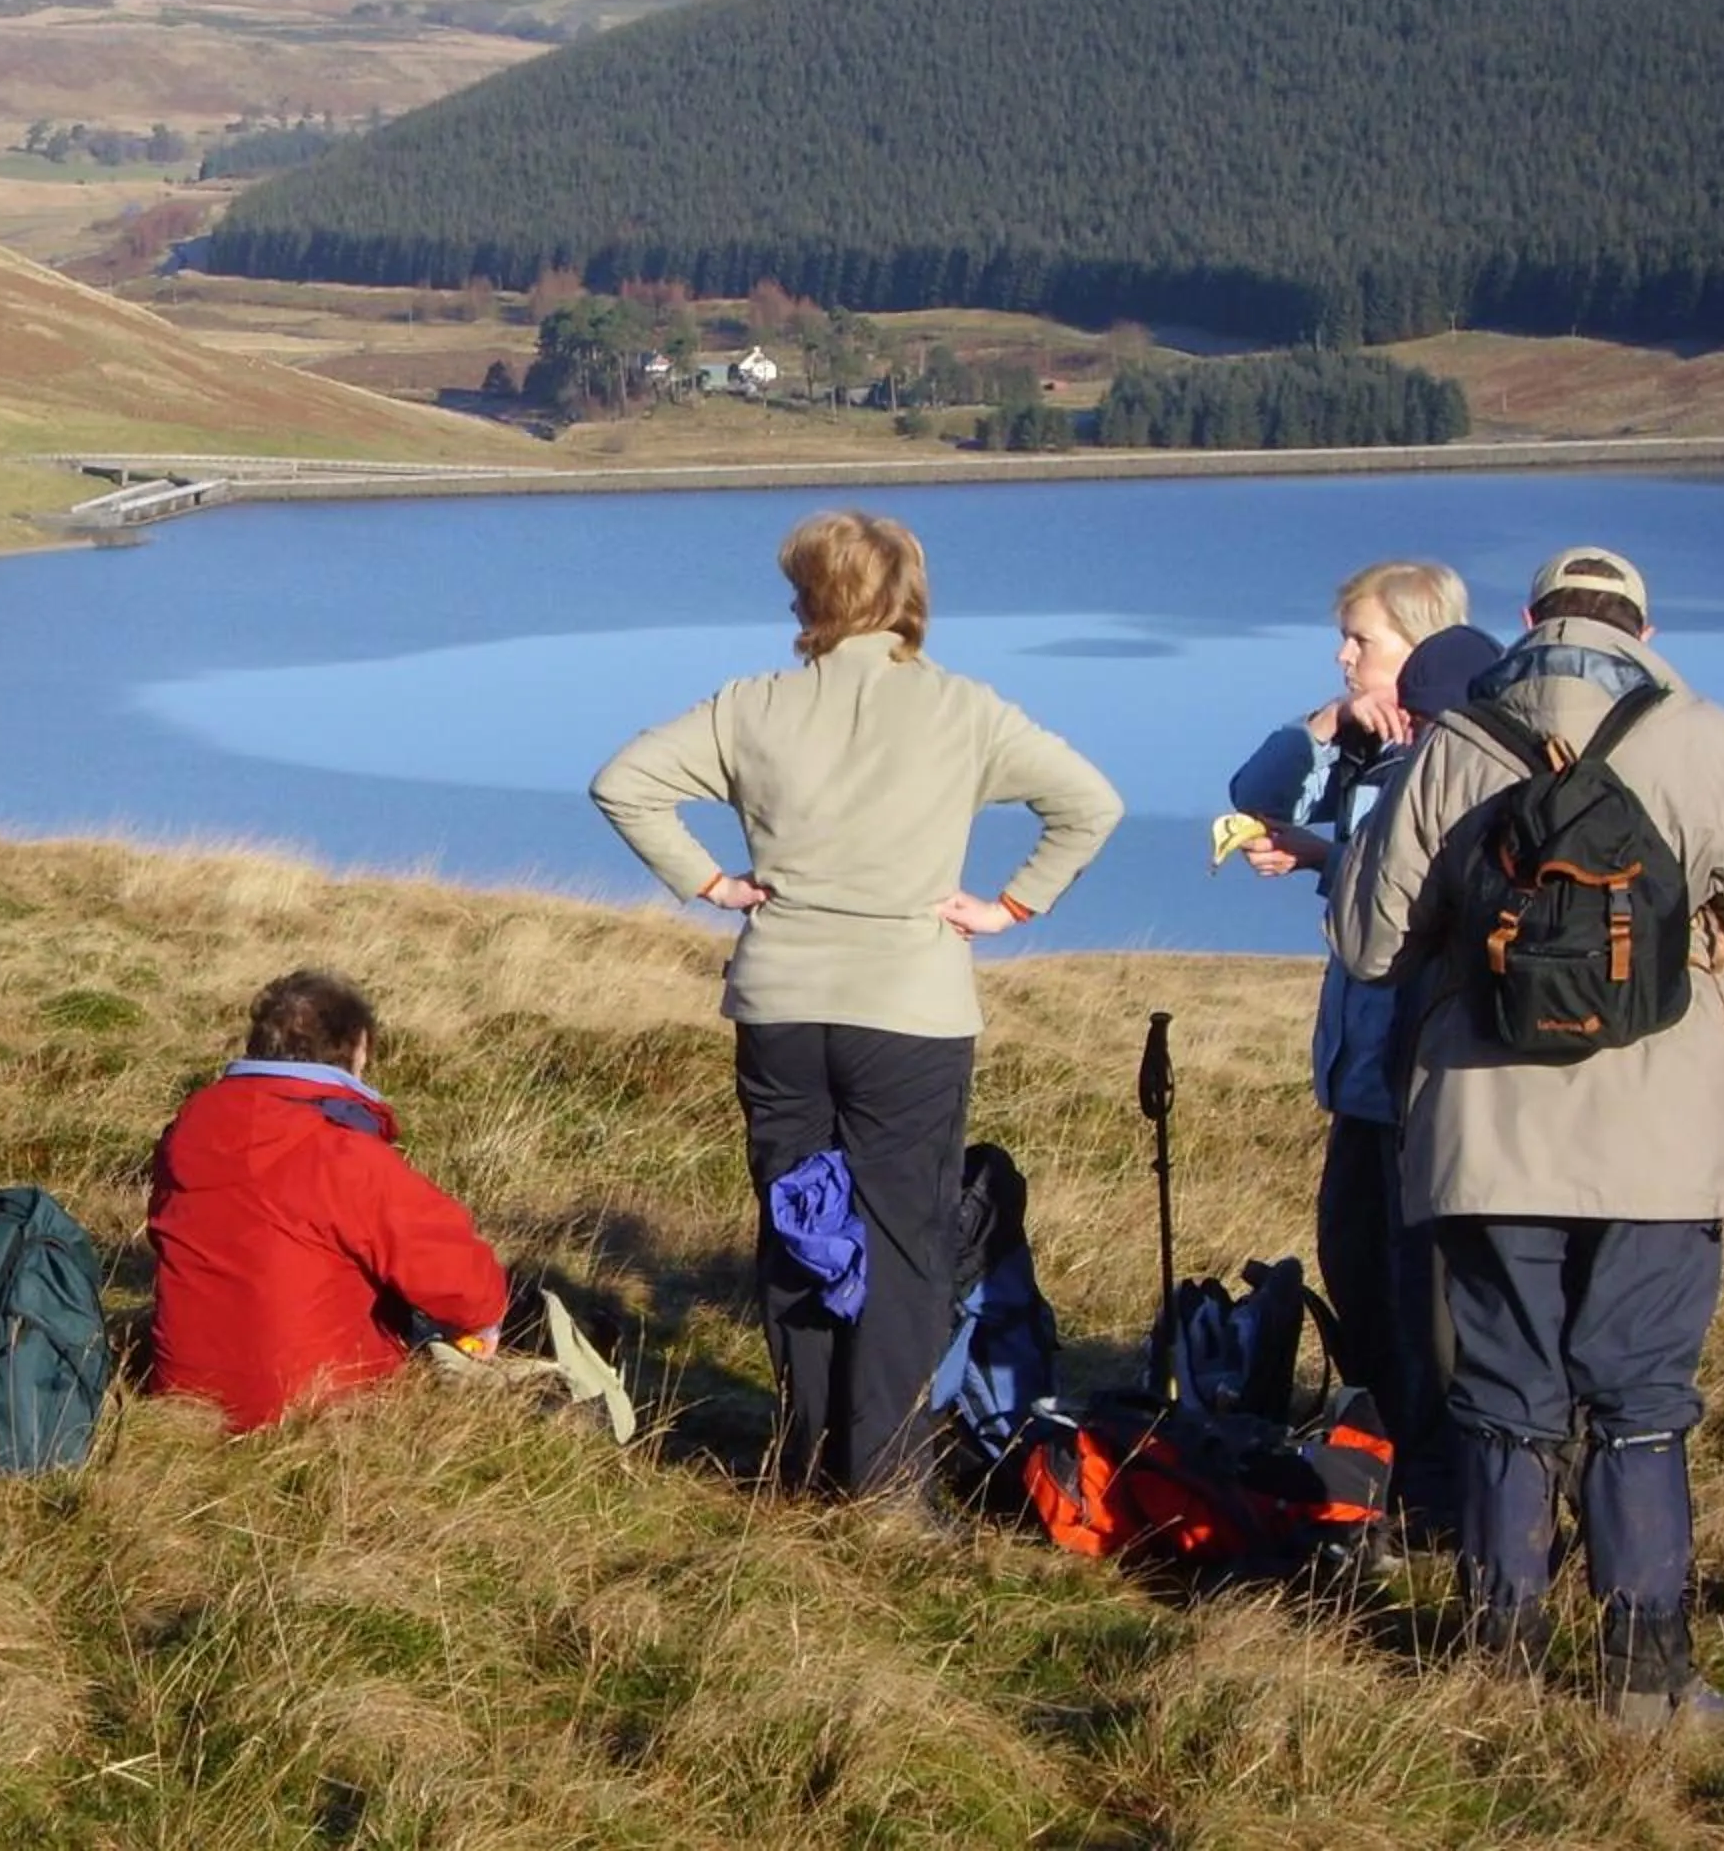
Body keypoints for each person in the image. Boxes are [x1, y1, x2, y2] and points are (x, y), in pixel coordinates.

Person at [1332, 547, 1724, 1735]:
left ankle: (1499, 1668)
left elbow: (1368, 942)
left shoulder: (1458, 740)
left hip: (1485, 1132)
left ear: (1530, 620)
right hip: (1663, 1141)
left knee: (1505, 1391)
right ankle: (1645, 1682)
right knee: (1640, 1396)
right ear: (1643, 632)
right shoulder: (1701, 737)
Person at [591, 508, 1121, 1498]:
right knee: (905, 1245)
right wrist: (1010, 906)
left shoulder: (753, 706)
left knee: (802, 1229)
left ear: (808, 599)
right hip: (911, 1013)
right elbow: (1090, 803)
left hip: (782, 1008)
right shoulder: (963, 709)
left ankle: (806, 1463)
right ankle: (885, 1483)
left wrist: (712, 885)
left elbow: (625, 783)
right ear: (910, 596)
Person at [1223, 560, 1474, 1527]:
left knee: (1421, 1299)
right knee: (1354, 1261)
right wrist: (1327, 724)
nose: (1343, 654)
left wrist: (1328, 858)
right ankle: (1377, 1461)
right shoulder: (1372, 744)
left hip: (1418, 1077)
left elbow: (1413, 897)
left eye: (1361, 640)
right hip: (1360, 1075)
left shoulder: (1455, 755)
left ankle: (1430, 1488)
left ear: (1420, 643)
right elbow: (1252, 791)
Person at [148, 968, 510, 1433]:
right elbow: (463, 1284)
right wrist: (485, 1320)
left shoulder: (185, 1136)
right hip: (315, 1404)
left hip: (184, 1395)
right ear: (358, 1048)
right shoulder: (341, 1151)